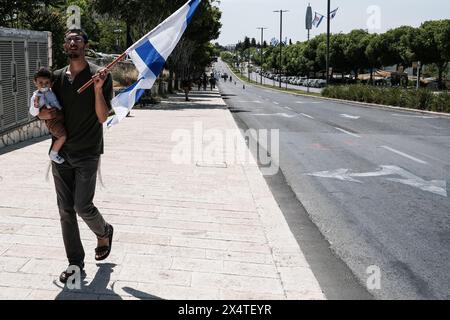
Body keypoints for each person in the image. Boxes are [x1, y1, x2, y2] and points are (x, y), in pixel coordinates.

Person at [38, 29, 114, 284]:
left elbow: (103, 117)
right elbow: (44, 108)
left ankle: (103, 231)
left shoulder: (100, 75)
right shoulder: (57, 78)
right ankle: (75, 264)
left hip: (88, 151)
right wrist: (41, 116)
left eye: (78, 39)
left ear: (85, 45)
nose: (73, 42)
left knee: (83, 205)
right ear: (64, 46)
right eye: (69, 39)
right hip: (61, 154)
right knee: (65, 210)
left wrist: (98, 89)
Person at [29, 68, 66, 164]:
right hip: (52, 120)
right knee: (62, 136)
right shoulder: (36, 96)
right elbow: (33, 113)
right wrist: (36, 106)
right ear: (35, 82)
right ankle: (53, 153)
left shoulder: (50, 92)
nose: (44, 85)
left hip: (58, 115)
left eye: (47, 82)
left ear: (51, 83)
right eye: (40, 82)